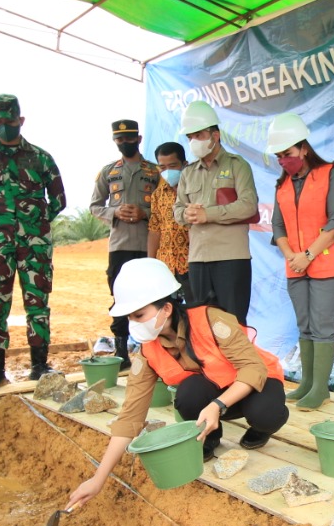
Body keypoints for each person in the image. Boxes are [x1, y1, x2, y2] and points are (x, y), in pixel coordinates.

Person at [66, 258, 288, 507]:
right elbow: (130, 416)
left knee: (265, 413)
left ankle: (261, 429)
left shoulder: (212, 320)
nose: (134, 324)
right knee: (188, 394)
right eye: (130, 317)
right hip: (218, 393)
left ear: (166, 309)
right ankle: (210, 438)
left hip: (256, 382)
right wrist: (98, 479)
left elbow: (253, 368)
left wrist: (217, 405)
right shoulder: (148, 351)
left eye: (140, 315)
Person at [0, 93, 66, 391]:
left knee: (38, 304)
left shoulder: (40, 157)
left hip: (35, 246)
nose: (4, 126)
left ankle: (39, 365)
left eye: (10, 120)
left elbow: (58, 199)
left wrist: (36, 225)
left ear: (21, 119)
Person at [267, 113, 334, 412]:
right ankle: (307, 383)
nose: (283, 160)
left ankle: (320, 389)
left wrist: (307, 255)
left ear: (303, 148)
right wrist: (291, 255)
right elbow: (278, 226)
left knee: (322, 326)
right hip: (295, 265)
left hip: (327, 264)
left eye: (287, 153)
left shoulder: (331, 176)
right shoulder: (283, 185)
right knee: (304, 325)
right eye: (279, 156)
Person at [173, 101, 258, 325]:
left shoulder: (237, 165)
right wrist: (186, 214)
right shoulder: (188, 172)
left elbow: (248, 205)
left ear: (215, 135)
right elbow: (177, 209)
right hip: (198, 258)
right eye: (190, 137)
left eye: (199, 135)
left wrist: (207, 214)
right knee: (203, 325)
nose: (194, 141)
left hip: (231, 257)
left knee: (234, 324)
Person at [89, 119, 159, 361]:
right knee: (120, 297)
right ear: (114, 141)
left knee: (152, 297)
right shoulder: (108, 172)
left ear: (138, 139)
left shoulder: (155, 172)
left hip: (148, 245)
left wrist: (145, 213)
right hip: (119, 246)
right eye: (119, 139)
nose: (124, 142)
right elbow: (95, 206)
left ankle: (152, 352)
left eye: (129, 138)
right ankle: (121, 352)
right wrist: (115, 212)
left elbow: (167, 207)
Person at [147, 141, 191, 295]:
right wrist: (151, 263)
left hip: (191, 264)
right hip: (165, 266)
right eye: (162, 167)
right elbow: (154, 230)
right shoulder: (157, 195)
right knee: (168, 308)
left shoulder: (195, 191)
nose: (167, 171)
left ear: (184, 165)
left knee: (196, 306)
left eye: (172, 166)